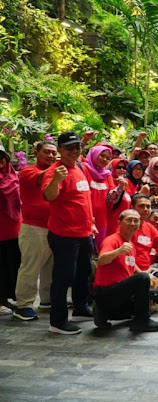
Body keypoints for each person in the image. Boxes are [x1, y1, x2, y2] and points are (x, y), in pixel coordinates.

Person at [42, 132, 97, 335]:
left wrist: (91, 223)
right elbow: (49, 196)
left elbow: (83, 199)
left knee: (83, 273)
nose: (74, 151)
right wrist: (56, 179)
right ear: (59, 150)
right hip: (64, 234)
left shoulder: (79, 168)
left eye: (77, 147)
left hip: (84, 233)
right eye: (69, 148)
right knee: (64, 277)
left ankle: (80, 308)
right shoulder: (55, 171)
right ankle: (57, 321)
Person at [93, 209, 158, 332]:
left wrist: (148, 277)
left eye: (136, 221)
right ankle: (141, 322)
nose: (132, 223)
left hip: (121, 294)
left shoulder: (130, 245)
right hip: (107, 292)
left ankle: (103, 313)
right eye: (129, 220)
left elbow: (132, 266)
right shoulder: (112, 240)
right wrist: (118, 251)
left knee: (155, 294)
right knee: (142, 280)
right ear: (119, 223)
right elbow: (101, 260)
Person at [13, 141, 57, 320]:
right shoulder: (29, 171)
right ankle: (23, 305)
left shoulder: (56, 172)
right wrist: (61, 164)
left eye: (54, 153)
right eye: (47, 152)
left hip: (54, 227)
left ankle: (47, 299)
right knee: (30, 268)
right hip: (33, 227)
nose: (51, 156)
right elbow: (41, 178)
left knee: (50, 268)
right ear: (35, 152)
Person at [0, 143, 22, 316]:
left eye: (1, 158)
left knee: (12, 265)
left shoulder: (13, 177)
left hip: (14, 230)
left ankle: (6, 298)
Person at [81, 145, 115, 249]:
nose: (104, 159)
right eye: (102, 156)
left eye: (108, 158)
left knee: (99, 249)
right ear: (94, 155)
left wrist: (120, 189)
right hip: (85, 217)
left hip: (102, 219)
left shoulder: (107, 175)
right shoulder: (84, 169)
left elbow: (111, 195)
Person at [106, 158, 132, 237]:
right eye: (118, 167)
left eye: (124, 168)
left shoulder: (126, 183)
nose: (122, 170)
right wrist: (120, 187)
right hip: (112, 225)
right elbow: (111, 200)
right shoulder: (109, 182)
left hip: (123, 226)